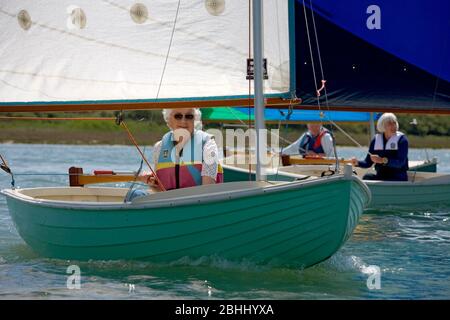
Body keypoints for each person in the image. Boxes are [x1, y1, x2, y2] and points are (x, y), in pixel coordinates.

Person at [141, 108, 223, 192]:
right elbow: (160, 192)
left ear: (195, 120)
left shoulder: (208, 144)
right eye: (178, 116)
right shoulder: (159, 147)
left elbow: (208, 189)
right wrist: (151, 183)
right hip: (170, 203)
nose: (183, 121)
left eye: (189, 116)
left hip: (199, 202)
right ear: (169, 120)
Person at [351, 113, 409, 181]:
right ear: (383, 126)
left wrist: (382, 160)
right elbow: (368, 163)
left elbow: (400, 163)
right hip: (381, 176)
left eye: (394, 123)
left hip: (398, 177)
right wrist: (357, 162)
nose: (394, 126)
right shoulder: (376, 140)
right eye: (390, 123)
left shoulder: (402, 140)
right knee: (367, 177)